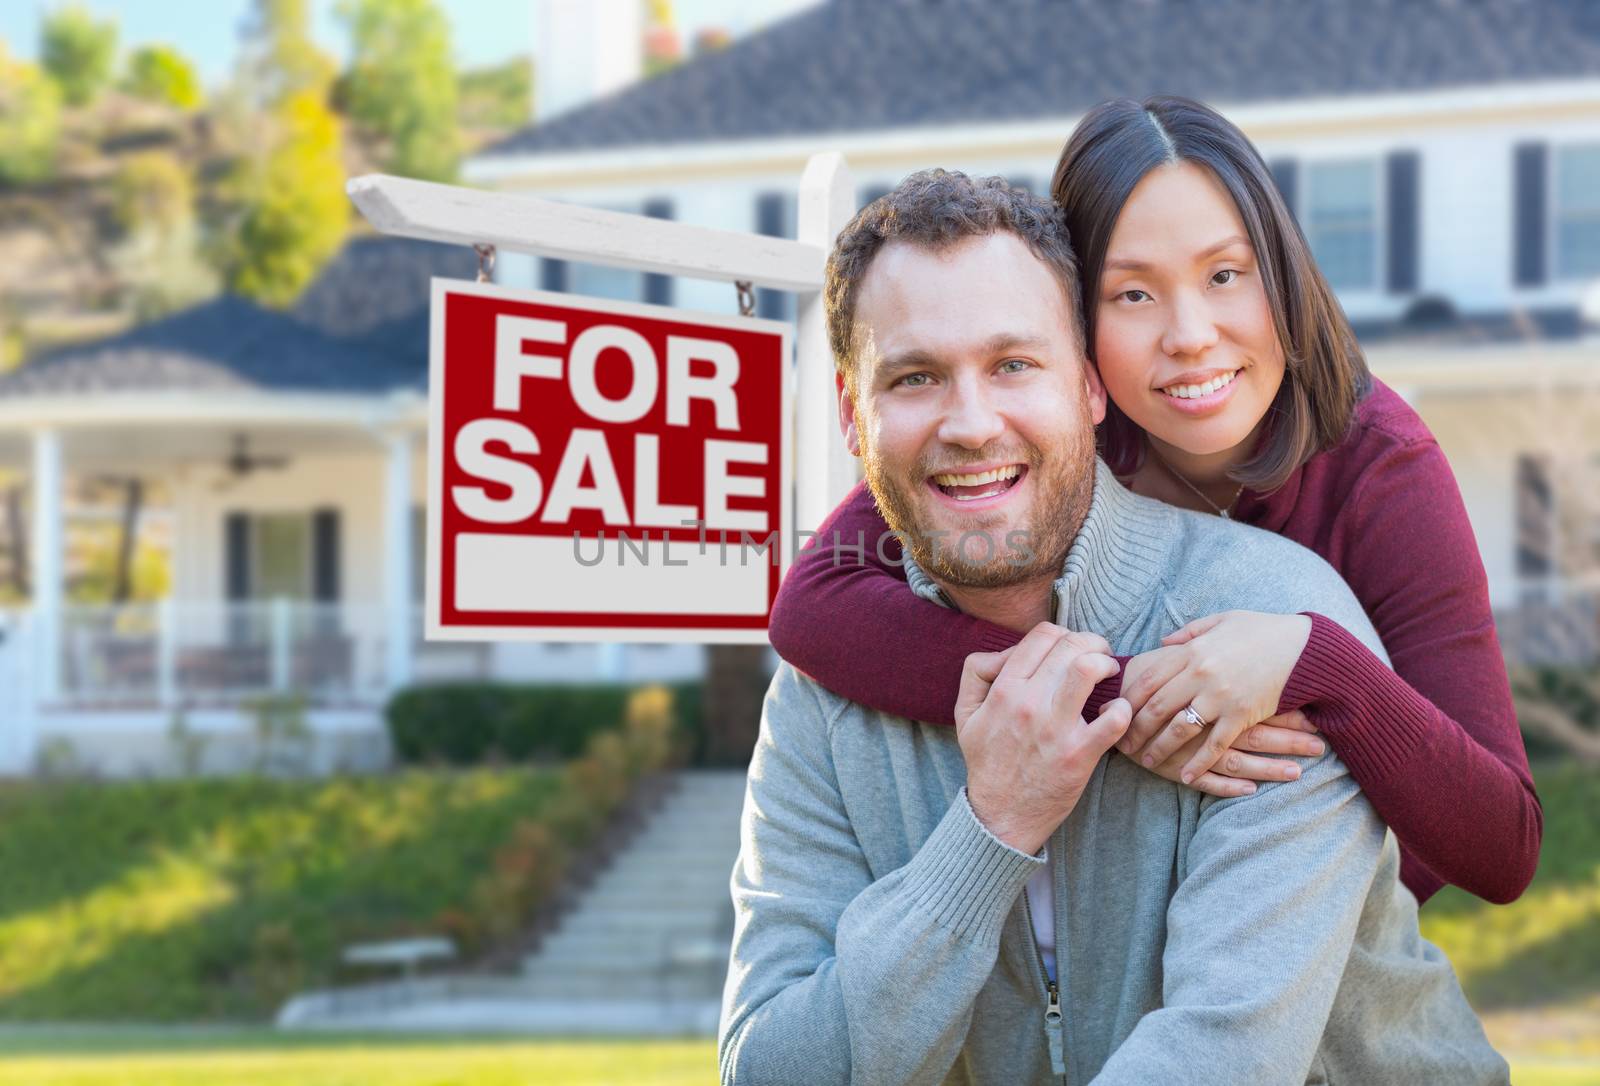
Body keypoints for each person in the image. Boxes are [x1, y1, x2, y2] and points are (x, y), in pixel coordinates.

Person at [718, 169, 1507, 1085]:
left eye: (1014, 364)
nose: (971, 424)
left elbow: (1220, 1057)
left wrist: (1132, 699)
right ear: (856, 417)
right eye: (916, 377)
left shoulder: (1270, 639)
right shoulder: (823, 699)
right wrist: (993, 825)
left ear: (1092, 387)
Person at [768, 95, 1540, 907]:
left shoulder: (1381, 466)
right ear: (1076, 331)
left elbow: (1503, 843)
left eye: (1225, 275)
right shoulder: (1048, 436)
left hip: (1318, 924)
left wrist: (1313, 662)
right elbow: (814, 606)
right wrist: (1132, 705)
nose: (1191, 334)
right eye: (1133, 294)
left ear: (1281, 273)